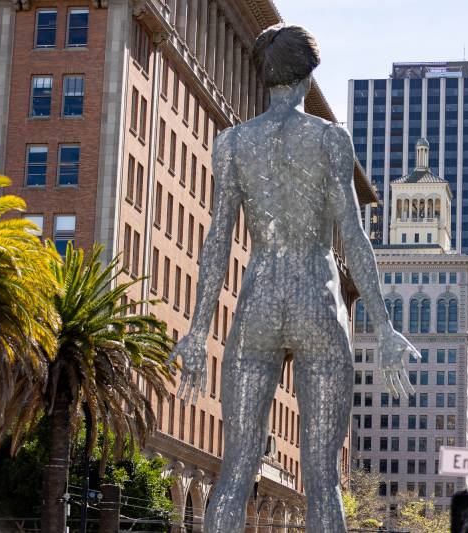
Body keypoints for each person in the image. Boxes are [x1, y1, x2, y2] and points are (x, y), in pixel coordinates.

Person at [168, 23, 419, 532]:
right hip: (318, 303)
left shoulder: (234, 144)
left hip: (259, 301)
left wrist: (198, 329)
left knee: (234, 470)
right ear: (306, 78)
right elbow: (352, 234)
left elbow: (217, 241)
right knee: (323, 478)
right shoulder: (329, 141)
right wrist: (385, 326)